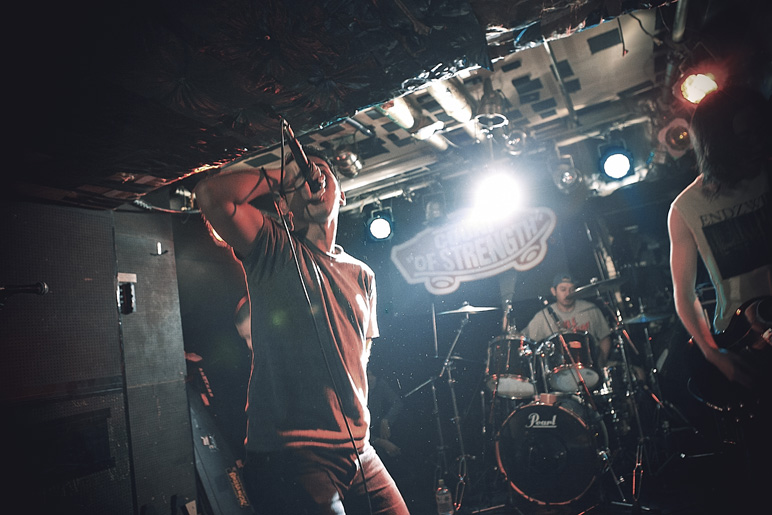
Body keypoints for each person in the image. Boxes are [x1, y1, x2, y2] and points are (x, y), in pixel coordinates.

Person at [194, 145, 409, 515]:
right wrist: (287, 175)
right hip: (293, 454)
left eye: (322, 172)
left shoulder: (363, 275)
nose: (313, 178)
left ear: (342, 194)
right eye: (302, 178)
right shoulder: (272, 246)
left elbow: (361, 354)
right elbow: (211, 195)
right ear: (283, 203)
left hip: (358, 450)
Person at [667, 85, 772, 391]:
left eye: (759, 131)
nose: (757, 142)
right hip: (744, 339)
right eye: (744, 136)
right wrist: (712, 353)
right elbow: (684, 293)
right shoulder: (684, 208)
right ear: (719, 142)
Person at [524, 273, 613, 392]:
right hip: (560, 376)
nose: (568, 293)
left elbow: (605, 338)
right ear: (553, 291)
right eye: (563, 289)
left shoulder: (590, 309)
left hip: (591, 369)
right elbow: (524, 339)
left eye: (571, 289)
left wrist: (601, 363)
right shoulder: (543, 316)